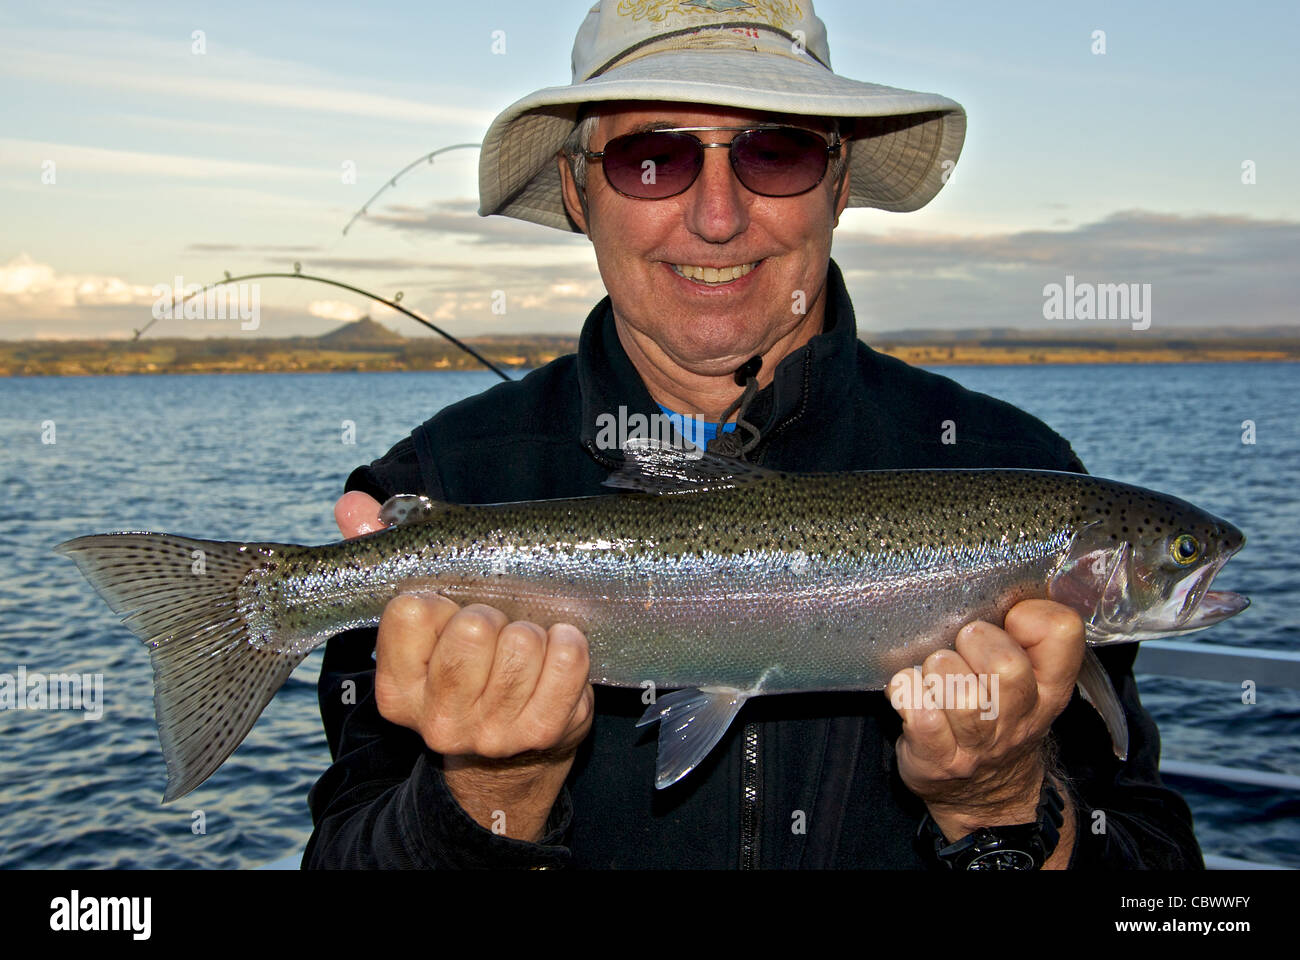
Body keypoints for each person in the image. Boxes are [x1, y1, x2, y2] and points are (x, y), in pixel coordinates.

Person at [303, 0, 1202, 869]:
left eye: (776, 154)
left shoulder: (1020, 465)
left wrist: (1001, 811)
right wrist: (489, 798)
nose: (719, 216)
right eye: (653, 161)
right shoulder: (437, 481)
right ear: (581, 193)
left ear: (839, 185)